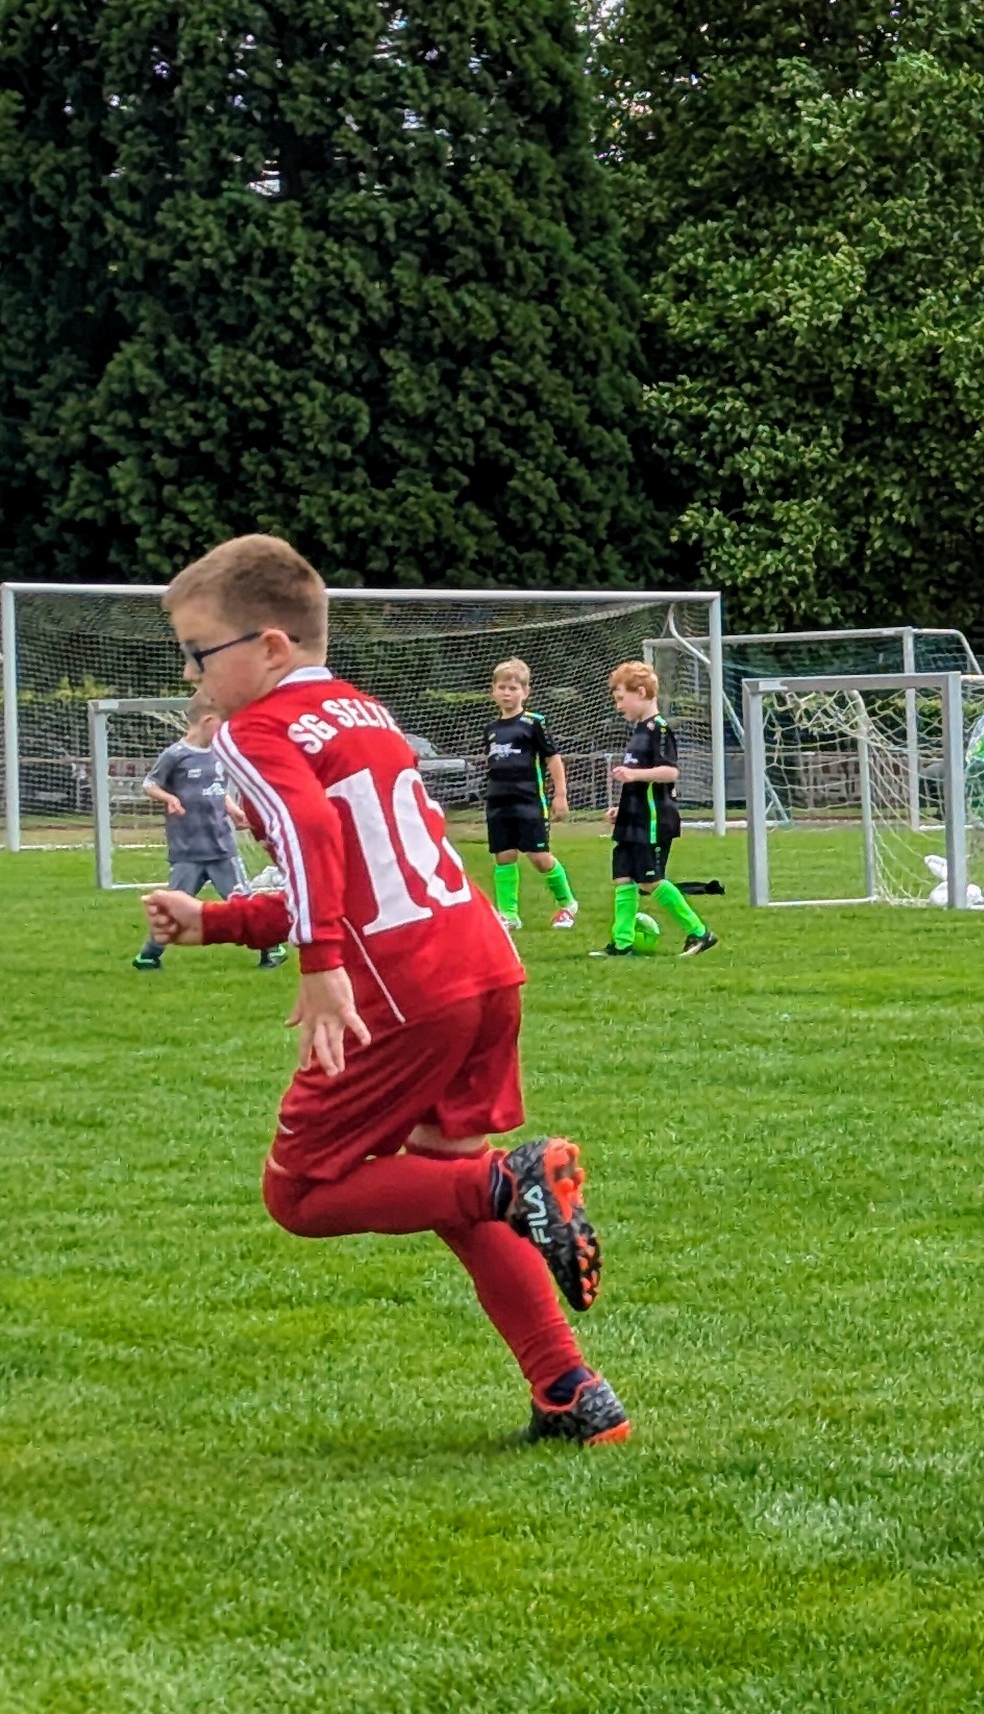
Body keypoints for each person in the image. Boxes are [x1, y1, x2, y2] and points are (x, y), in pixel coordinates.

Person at [137, 534, 626, 1445]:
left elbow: (314, 833)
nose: (193, 675)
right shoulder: (362, 709)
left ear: (270, 646)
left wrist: (320, 965)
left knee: (301, 1193)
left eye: (201, 653)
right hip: (481, 965)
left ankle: (513, 1180)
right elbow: (357, 872)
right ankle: (571, 1390)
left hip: (403, 988)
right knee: (445, 1180)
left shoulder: (255, 728)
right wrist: (221, 923)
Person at [131, 710, 283, 972]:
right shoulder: (175, 755)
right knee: (173, 907)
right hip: (187, 850)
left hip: (221, 848)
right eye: (223, 723)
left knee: (242, 901)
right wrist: (169, 798)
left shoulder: (218, 754)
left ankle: (271, 948)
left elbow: (216, 790)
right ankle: (149, 955)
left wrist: (232, 810)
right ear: (207, 720)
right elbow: (149, 784)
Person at [591, 661, 715, 958]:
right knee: (623, 878)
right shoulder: (638, 732)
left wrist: (633, 775)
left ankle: (699, 932)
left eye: (621, 698)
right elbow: (640, 782)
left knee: (649, 880)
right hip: (633, 819)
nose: (618, 706)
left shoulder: (659, 730)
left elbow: (670, 772)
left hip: (653, 820)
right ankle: (622, 944)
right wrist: (622, 809)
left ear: (641, 692)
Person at [480, 658, 579, 932]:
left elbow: (553, 758)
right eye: (502, 687)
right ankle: (508, 914)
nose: (507, 693)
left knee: (538, 856)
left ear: (525, 692)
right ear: (493, 691)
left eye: (513, 688)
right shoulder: (491, 730)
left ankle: (567, 903)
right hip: (498, 802)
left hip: (528, 801)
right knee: (503, 855)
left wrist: (560, 794)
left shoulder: (534, 723)